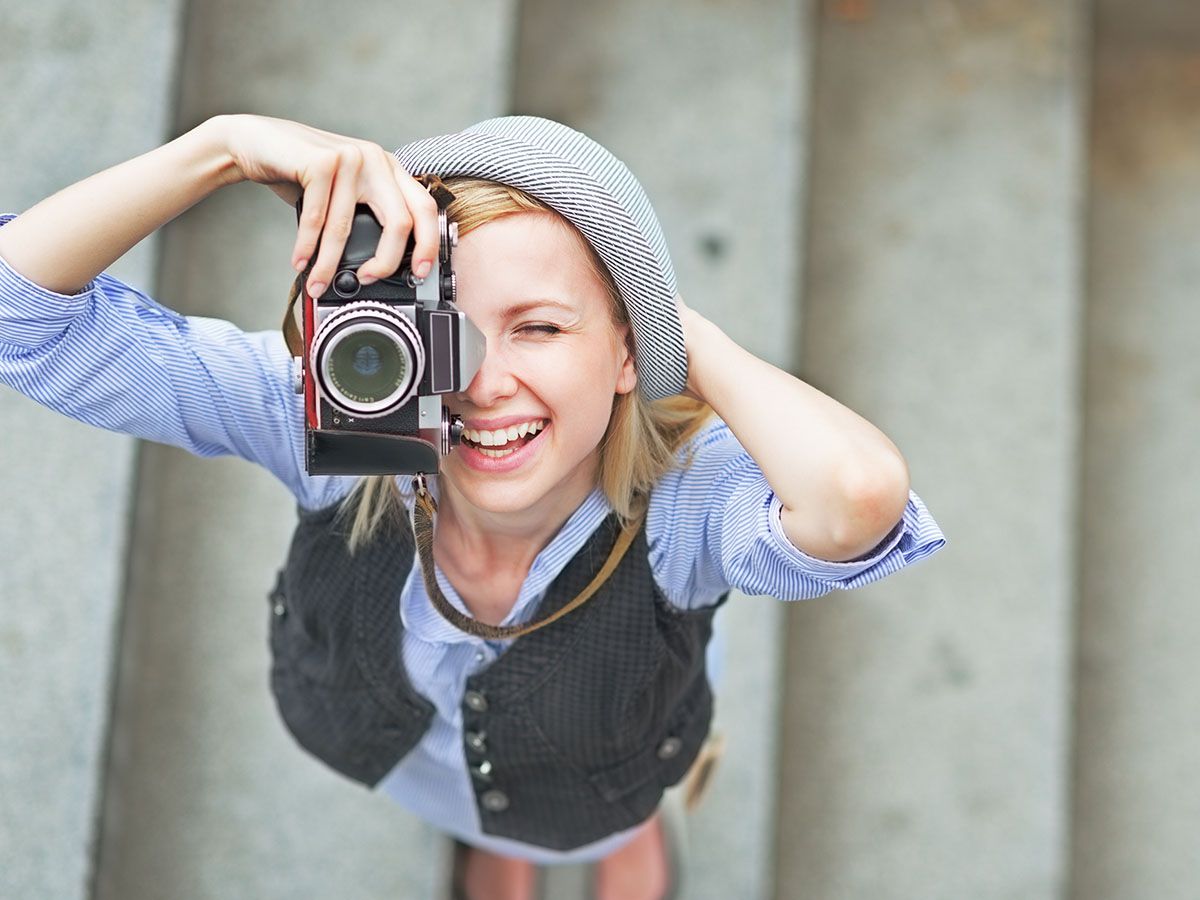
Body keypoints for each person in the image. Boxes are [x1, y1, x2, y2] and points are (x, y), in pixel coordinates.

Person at [0, 113, 946, 900]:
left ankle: (620, 834)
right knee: (492, 815)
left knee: (609, 808)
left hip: (608, 753)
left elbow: (857, 496)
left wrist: (653, 314)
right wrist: (221, 146)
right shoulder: (342, 440)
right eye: (443, 332)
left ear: (628, 350)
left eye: (539, 327)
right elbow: (18, 314)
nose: (484, 384)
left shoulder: (681, 510)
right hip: (412, 753)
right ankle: (508, 839)